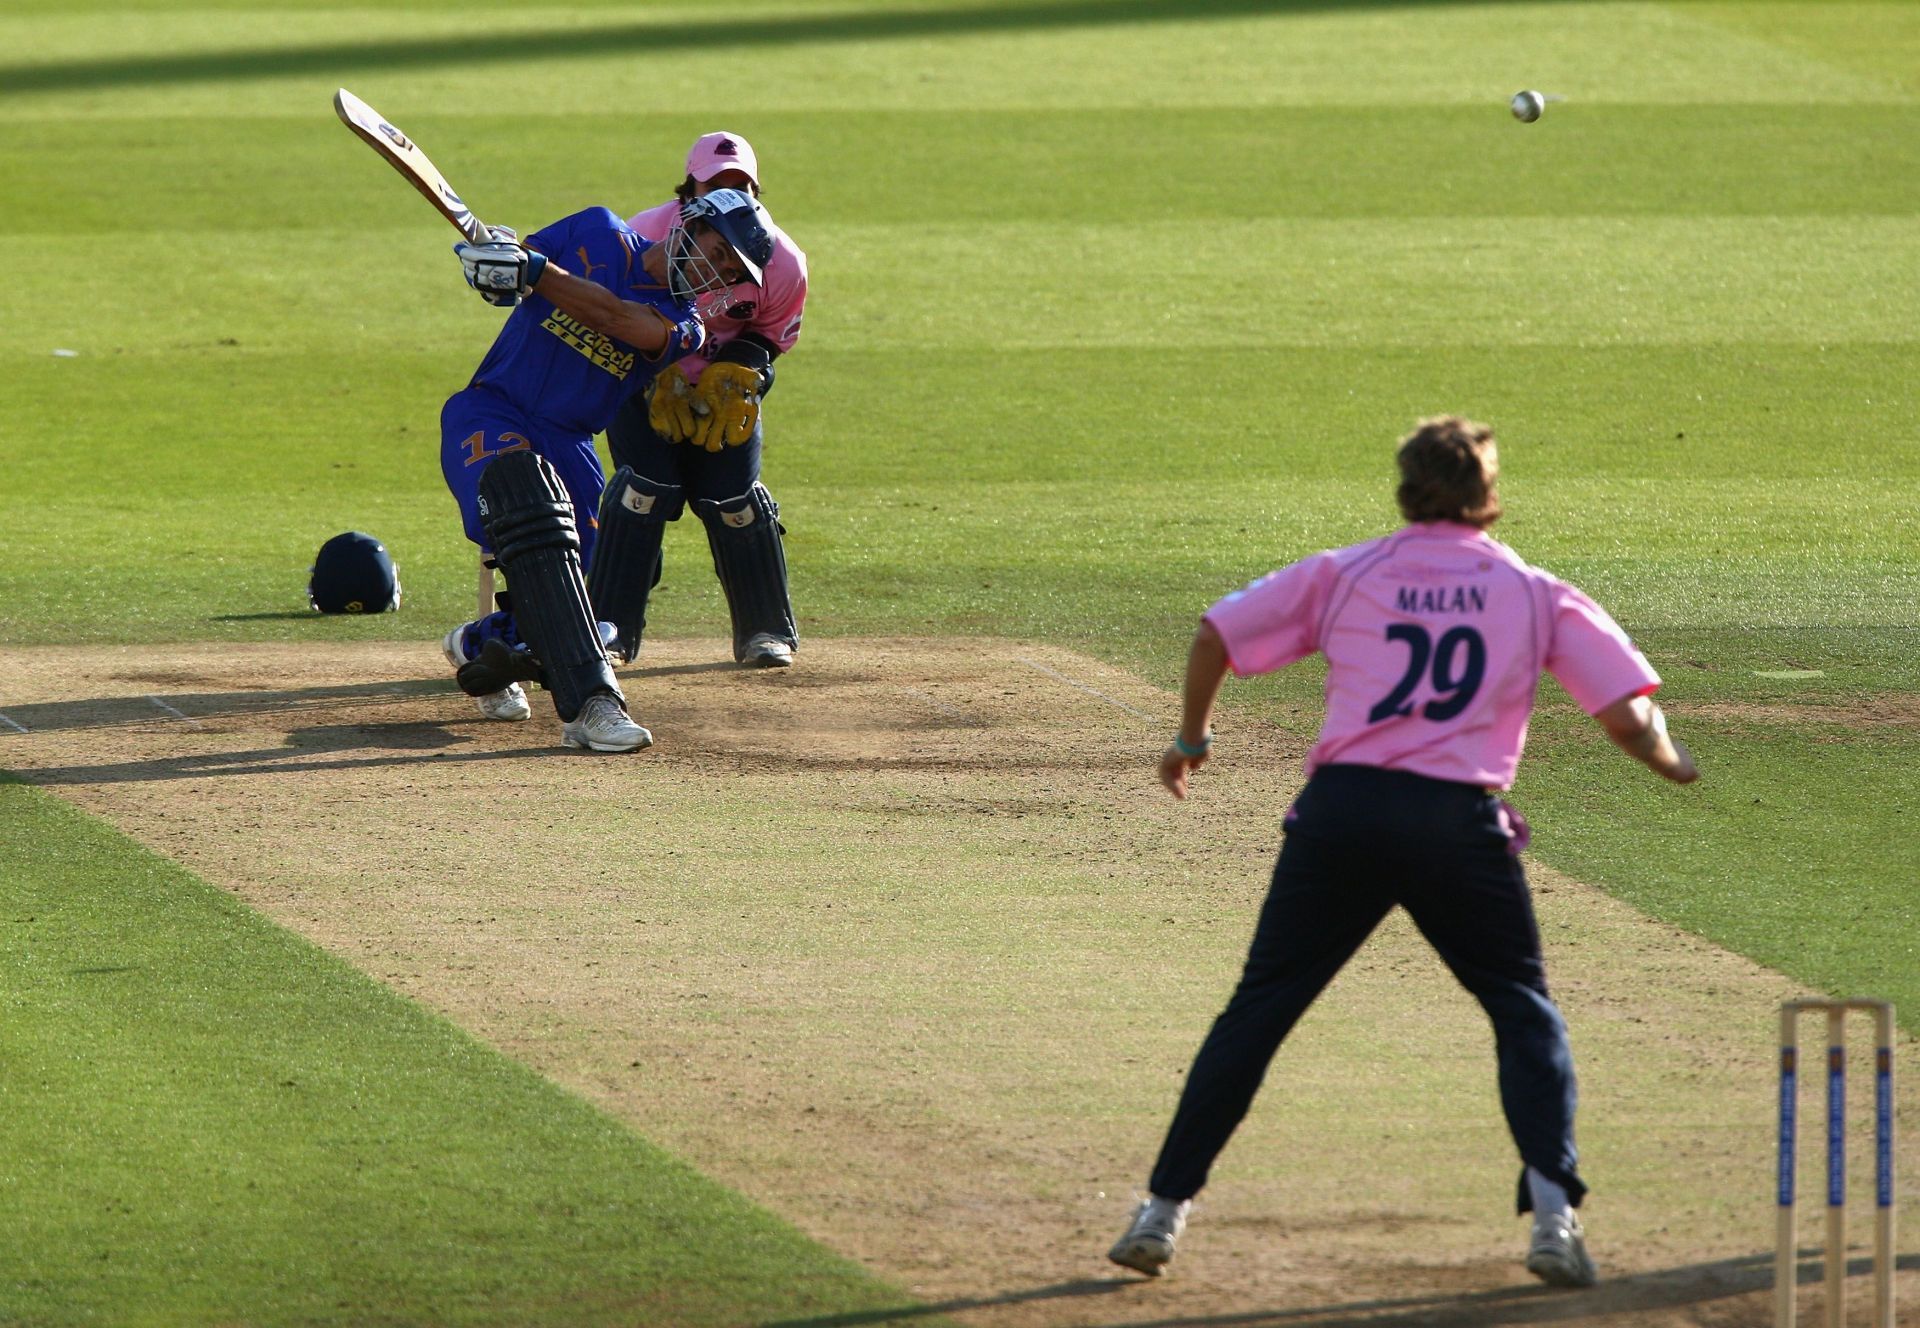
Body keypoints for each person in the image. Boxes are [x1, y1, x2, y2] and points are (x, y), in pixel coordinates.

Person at [1106, 416, 1698, 1287]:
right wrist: (1672, 761)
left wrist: (1192, 740)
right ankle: (1554, 1222)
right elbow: (1624, 715)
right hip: (1457, 827)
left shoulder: (1348, 573)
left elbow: (1214, 637)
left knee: (1261, 1008)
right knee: (1521, 1008)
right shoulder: (1537, 593)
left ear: (1405, 488)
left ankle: (1161, 1212)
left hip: (1342, 816)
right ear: (1489, 497)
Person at [436, 188, 775, 750]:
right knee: (533, 515)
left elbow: (613, 317)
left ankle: (482, 644)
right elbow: (511, 278)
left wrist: (534, 269)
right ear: (689, 223)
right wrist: (496, 264)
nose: (715, 274)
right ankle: (590, 712)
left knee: (593, 599)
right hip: (491, 409)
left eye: (728, 271)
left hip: (569, 443)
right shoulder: (593, 229)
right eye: (717, 253)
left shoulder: (683, 327)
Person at [589, 131, 810, 669]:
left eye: (741, 187)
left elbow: (773, 332)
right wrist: (651, 378)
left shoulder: (781, 260)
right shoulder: (642, 235)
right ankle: (609, 633)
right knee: (644, 492)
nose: (727, 196)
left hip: (724, 392)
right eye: (714, 185)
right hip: (642, 385)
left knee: (734, 500)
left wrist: (737, 370)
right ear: (689, 186)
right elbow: (610, 319)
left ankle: (765, 632)